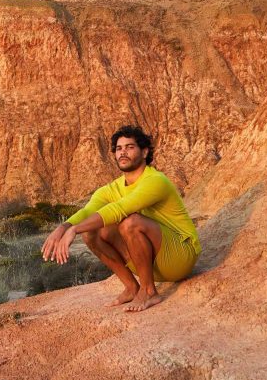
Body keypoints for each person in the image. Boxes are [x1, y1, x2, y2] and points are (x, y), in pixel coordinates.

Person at [41, 125, 201, 311]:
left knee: (130, 223)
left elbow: (119, 209)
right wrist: (63, 228)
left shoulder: (156, 180)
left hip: (180, 257)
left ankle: (149, 291)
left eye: (130, 147)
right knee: (90, 232)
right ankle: (132, 287)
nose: (123, 152)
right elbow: (89, 211)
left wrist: (74, 230)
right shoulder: (112, 188)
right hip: (151, 263)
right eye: (119, 148)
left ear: (144, 152)